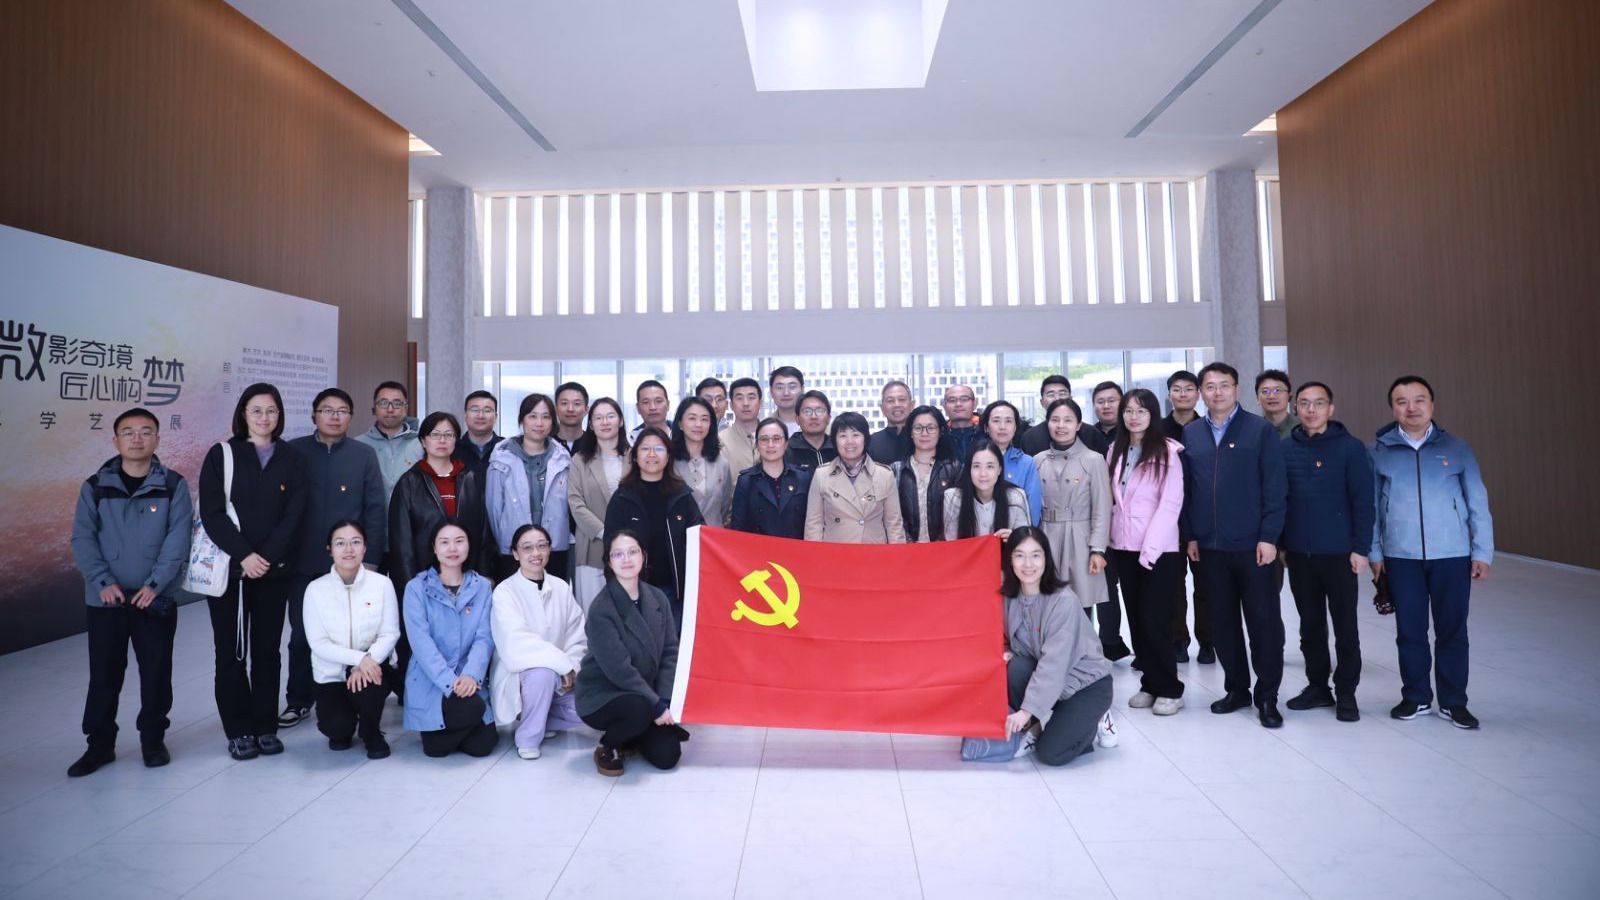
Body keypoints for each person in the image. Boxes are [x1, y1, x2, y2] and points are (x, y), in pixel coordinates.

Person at [67, 407, 192, 776]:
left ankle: (153, 741)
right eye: (128, 432)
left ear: (157, 438)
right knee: (104, 675)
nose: (137, 439)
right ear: (115, 440)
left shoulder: (173, 485)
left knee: (156, 673)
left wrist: (155, 585)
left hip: (155, 599)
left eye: (145, 431)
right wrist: (102, 582)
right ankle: (99, 746)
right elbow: (82, 538)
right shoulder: (95, 487)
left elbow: (178, 540)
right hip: (107, 600)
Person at [1370, 376, 1492, 729]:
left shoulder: (1457, 448)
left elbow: (1477, 502)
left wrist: (1482, 552)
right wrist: (1375, 553)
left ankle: (1454, 702)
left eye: (1419, 399)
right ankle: (1416, 696)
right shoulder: (1377, 451)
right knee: (1410, 630)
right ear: (1392, 408)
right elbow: (1371, 508)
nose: (1411, 408)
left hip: (1452, 555)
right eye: (1402, 401)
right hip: (1401, 557)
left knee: (1452, 630)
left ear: (1432, 405)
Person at [199, 383, 308, 760]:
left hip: (273, 572)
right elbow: (212, 513)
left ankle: (265, 725)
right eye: (256, 410)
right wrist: (245, 555)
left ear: (280, 415)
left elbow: (295, 514)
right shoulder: (222, 455)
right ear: (243, 414)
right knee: (230, 651)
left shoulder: (291, 458)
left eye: (271, 410)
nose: (264, 417)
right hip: (230, 572)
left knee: (267, 650)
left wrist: (266, 557)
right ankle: (238, 729)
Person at [1182, 363, 1288, 729]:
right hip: (1209, 547)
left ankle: (1268, 696)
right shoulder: (1192, 433)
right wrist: (1190, 535)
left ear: (1237, 389)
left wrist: (1269, 537)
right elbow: (1187, 490)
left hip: (1253, 546)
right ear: (1201, 392)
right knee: (1222, 623)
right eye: (1210, 386)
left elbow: (1275, 487)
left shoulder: (1259, 430)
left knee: (1263, 623)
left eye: (1224, 385)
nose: (1217, 392)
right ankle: (1237, 689)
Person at [281, 388, 386, 730]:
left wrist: (371, 559)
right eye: (327, 410)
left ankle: (353, 692)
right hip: (304, 561)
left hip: (352, 562)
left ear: (351, 416)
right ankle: (299, 699)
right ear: (314, 414)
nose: (335, 416)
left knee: (357, 630)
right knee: (302, 634)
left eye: (342, 410)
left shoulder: (363, 454)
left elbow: (375, 508)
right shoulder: (293, 452)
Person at [1281, 381, 1374, 722]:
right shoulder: (1284, 449)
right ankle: (1318, 687)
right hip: (1299, 555)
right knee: (1310, 626)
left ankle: (1346, 692)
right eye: (1304, 403)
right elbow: (1279, 500)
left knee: (1345, 626)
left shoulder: (1350, 448)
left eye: (1318, 403)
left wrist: (1361, 548)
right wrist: (1281, 543)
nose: (1311, 410)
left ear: (1330, 409)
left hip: (1340, 555)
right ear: (1296, 408)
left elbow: (1363, 502)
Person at [992, 527, 1115, 766]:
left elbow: (1054, 665)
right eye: (1019, 555)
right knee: (1015, 668)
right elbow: (1005, 637)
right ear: (1010, 560)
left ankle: (1095, 718)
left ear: (1046, 559)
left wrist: (1025, 711)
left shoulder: (1063, 601)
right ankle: (1034, 729)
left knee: (1051, 753)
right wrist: (1006, 651)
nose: (1028, 564)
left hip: (1086, 684)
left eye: (1035, 555)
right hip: (1053, 681)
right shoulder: (1009, 597)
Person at [388, 411, 492, 682]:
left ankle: (466, 682)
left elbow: (481, 531)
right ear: (423, 441)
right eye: (435, 435)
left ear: (456, 439)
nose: (442, 440)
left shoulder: (469, 478)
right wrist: (410, 584)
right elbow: (401, 541)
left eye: (448, 435)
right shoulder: (409, 482)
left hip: (465, 576)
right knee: (427, 637)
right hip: (425, 576)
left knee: (465, 635)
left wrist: (484, 574)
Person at [576, 530, 686, 776]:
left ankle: (632, 734)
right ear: (608, 561)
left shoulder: (658, 598)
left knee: (667, 756)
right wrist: (656, 706)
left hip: (646, 694)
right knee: (639, 710)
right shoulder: (602, 608)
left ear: (643, 556)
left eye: (632, 552)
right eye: (618, 554)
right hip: (605, 693)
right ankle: (608, 744)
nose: (626, 559)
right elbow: (620, 670)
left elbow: (670, 652)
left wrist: (665, 699)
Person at [1107, 389, 1187, 716]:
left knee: (1156, 621)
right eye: (1128, 410)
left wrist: (1150, 550)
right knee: (1138, 621)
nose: (1134, 417)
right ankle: (1150, 684)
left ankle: (1170, 688)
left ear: (1153, 415)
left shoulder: (1168, 452)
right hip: (1124, 547)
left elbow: (1170, 505)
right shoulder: (1116, 450)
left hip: (1158, 550)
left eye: (1141, 411)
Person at [489, 524, 587, 759]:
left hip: (561, 679)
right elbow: (516, 644)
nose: (536, 553)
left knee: (591, 706)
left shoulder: (561, 587)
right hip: (520, 678)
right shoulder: (505, 592)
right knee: (542, 673)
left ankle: (541, 720)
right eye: (527, 548)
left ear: (550, 550)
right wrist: (562, 664)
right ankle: (528, 738)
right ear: (515, 554)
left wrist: (572, 667)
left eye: (542, 546)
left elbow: (577, 636)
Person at [303, 520, 398, 759]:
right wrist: (359, 659)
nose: (348, 549)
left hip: (372, 667)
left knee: (369, 689)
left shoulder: (382, 584)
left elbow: (390, 633)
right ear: (329, 549)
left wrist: (365, 662)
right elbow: (318, 643)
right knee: (337, 729)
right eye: (340, 543)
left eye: (355, 542)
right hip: (332, 673)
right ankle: (344, 723)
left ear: (364, 547)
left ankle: (371, 732)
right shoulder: (315, 590)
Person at [403, 520, 499, 758]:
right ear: (434, 549)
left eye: (459, 541)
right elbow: (421, 644)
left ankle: (444, 733)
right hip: (432, 679)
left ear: (468, 546)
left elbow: (484, 638)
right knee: (469, 713)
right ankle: (440, 735)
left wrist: (470, 675)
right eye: (444, 542)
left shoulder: (482, 587)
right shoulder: (416, 588)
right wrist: (450, 681)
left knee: (483, 746)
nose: (452, 548)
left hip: (469, 679)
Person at [1031, 399, 1117, 656]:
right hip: (1046, 536)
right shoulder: (1037, 460)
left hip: (1080, 538)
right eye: (1055, 420)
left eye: (1068, 420)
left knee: (1080, 604)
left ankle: (1083, 659)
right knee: (1046, 601)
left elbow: (1102, 507)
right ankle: (1052, 658)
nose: (1061, 425)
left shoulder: (1093, 460)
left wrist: (1098, 550)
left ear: (1079, 424)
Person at [603, 427, 705, 627]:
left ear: (668, 457)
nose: (651, 454)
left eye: (659, 449)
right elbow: (609, 548)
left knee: (672, 644)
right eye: (645, 449)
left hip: (675, 591)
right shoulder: (622, 497)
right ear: (635, 457)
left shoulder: (682, 496)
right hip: (634, 589)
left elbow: (701, 538)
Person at [486, 393, 573, 582]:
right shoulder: (501, 458)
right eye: (532, 416)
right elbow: (494, 511)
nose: (539, 423)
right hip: (514, 549)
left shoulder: (563, 459)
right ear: (522, 420)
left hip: (554, 548)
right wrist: (505, 540)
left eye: (546, 417)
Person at [1162, 369, 1211, 663]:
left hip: (1201, 515)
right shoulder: (1157, 429)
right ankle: (1178, 640)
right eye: (1177, 389)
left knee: (1205, 584)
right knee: (1172, 584)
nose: (1183, 394)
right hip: (1168, 518)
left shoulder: (1207, 428)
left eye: (1189, 389)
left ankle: (1208, 640)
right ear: (1169, 394)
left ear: (1198, 394)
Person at [568, 398, 630, 611]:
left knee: (627, 612)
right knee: (592, 611)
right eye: (598, 417)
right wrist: (605, 532)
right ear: (591, 425)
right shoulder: (580, 460)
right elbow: (575, 503)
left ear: (620, 421)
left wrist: (625, 535)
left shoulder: (635, 457)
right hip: (592, 545)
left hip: (629, 545)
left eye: (610, 416)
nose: (605, 422)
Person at [805, 413, 905, 544]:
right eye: (843, 436)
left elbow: (894, 525)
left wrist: (898, 555)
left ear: (865, 439)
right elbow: (814, 524)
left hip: (874, 552)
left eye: (856, 435)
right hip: (835, 553)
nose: (849, 442)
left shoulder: (884, 475)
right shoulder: (822, 475)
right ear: (834, 441)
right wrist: (814, 555)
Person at [729, 418, 812, 539]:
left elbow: (811, 522)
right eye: (764, 439)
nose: (770, 445)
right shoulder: (746, 481)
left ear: (786, 444)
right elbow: (738, 529)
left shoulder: (802, 478)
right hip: (757, 549)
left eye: (776, 439)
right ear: (757, 445)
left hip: (796, 548)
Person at [892, 406, 962, 542]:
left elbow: (960, 516)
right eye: (918, 428)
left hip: (945, 549)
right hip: (906, 548)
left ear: (940, 432)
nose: (924, 433)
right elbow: (892, 517)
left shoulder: (955, 469)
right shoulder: (897, 470)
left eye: (931, 428)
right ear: (911, 433)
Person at [356, 381, 423, 509]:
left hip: (411, 518)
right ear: (374, 408)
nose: (390, 409)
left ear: (406, 408)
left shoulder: (421, 444)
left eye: (397, 403)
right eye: (384, 403)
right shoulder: (359, 445)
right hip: (372, 518)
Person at [943, 441, 1031, 539]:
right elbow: (951, 543)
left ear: (999, 470)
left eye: (990, 466)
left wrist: (1014, 539)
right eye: (976, 466)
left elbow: (1025, 541)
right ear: (969, 469)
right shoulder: (953, 498)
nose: (983, 474)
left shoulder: (1016, 497)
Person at [671, 396, 733, 527]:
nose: (698, 424)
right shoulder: (668, 462)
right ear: (680, 423)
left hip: (712, 535)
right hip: (677, 535)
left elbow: (725, 505)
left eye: (704, 419)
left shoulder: (722, 463)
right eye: (692, 418)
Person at [980, 400, 1043, 524]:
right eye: (996, 421)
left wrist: (1027, 532)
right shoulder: (975, 459)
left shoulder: (1026, 463)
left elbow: (1033, 508)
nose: (1002, 426)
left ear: (1015, 427)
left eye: (1008, 421)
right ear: (986, 427)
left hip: (1017, 531)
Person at [719, 377, 763, 476]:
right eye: (739, 398)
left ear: (760, 403)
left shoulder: (773, 437)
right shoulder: (720, 440)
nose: (745, 403)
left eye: (751, 398)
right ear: (731, 405)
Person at [1020, 375, 1073, 456]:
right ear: (1042, 402)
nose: (1057, 399)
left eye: (1062, 394)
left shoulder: (1089, 433)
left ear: (1071, 399)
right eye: (1051, 395)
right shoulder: (1029, 437)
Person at [786, 389, 837, 473]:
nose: (813, 417)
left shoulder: (838, 447)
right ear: (797, 419)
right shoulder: (786, 451)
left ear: (828, 418)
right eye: (807, 411)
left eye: (819, 411)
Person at [455, 390, 505, 475]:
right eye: (474, 410)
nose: (480, 416)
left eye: (487, 410)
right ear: (465, 415)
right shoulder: (452, 449)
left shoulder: (507, 449)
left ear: (496, 417)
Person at [868, 379, 914, 465]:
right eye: (890, 401)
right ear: (882, 408)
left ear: (912, 405)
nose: (896, 405)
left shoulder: (922, 439)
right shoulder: (870, 443)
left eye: (901, 399)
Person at [942, 383, 982, 462]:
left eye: (964, 399)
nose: (958, 404)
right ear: (944, 406)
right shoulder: (939, 437)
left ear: (975, 404)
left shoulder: (987, 433)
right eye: (952, 400)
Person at [1256, 369, 1298, 439]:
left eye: (1278, 390)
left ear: (1289, 396)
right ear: (1257, 398)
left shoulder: (1302, 430)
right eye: (1265, 391)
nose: (1272, 396)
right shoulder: (1251, 431)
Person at [1084, 381, 1122, 451]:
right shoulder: (1087, 435)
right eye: (1100, 402)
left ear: (1122, 403)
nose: (1106, 406)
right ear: (1093, 406)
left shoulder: (1131, 433)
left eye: (1111, 401)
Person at [553, 381, 590, 450]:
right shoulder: (546, 445)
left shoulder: (594, 444)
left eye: (577, 404)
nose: (570, 409)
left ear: (586, 410)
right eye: (564, 403)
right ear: (556, 409)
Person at [769, 365, 805, 435]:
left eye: (792, 387)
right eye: (780, 388)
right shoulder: (762, 426)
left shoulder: (821, 426)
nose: (786, 393)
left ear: (802, 389)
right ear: (771, 391)